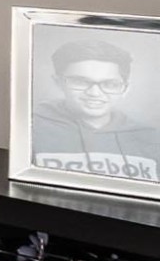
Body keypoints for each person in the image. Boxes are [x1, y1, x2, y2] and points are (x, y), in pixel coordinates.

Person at [28, 36, 160, 181]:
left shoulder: (150, 138)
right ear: (58, 82)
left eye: (110, 84)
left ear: (125, 89)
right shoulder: (29, 129)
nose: (94, 93)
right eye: (80, 82)